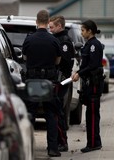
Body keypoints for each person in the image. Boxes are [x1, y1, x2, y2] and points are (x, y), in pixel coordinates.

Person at [22, 9, 62, 157]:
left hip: (32, 81)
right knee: (50, 114)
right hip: (48, 82)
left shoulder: (29, 39)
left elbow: (25, 58)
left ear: (36, 21)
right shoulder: (54, 40)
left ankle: (28, 148)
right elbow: (58, 60)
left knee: (30, 114)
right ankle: (52, 148)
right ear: (48, 21)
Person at [71, 19, 104, 153]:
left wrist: (79, 73)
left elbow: (93, 65)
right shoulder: (88, 44)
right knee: (90, 113)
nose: (81, 33)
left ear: (90, 31)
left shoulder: (94, 45)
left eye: (83, 30)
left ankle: (93, 143)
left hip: (94, 83)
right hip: (89, 83)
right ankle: (94, 142)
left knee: (92, 114)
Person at [49, 15, 75, 152]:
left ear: (59, 26)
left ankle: (63, 142)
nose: (50, 29)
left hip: (61, 80)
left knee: (58, 112)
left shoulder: (64, 42)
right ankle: (60, 141)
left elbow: (64, 63)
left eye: (52, 27)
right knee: (56, 111)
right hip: (58, 80)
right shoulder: (57, 39)